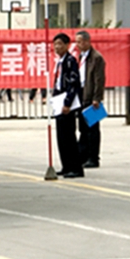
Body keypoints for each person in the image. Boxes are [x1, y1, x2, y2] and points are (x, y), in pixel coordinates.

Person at [52, 33, 84, 178]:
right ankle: (66, 166)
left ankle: (76, 168)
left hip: (66, 103)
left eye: (59, 44)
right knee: (61, 137)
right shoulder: (59, 61)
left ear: (66, 45)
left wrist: (68, 103)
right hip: (58, 101)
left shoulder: (71, 61)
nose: (57, 47)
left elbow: (73, 84)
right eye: (55, 44)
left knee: (69, 136)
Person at [75, 30, 106, 169]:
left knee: (92, 129)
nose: (78, 44)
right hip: (82, 94)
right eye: (76, 42)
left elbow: (99, 79)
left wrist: (97, 97)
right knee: (83, 128)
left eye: (80, 42)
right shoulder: (81, 56)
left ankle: (93, 157)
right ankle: (83, 155)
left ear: (88, 41)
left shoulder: (96, 57)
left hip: (91, 96)